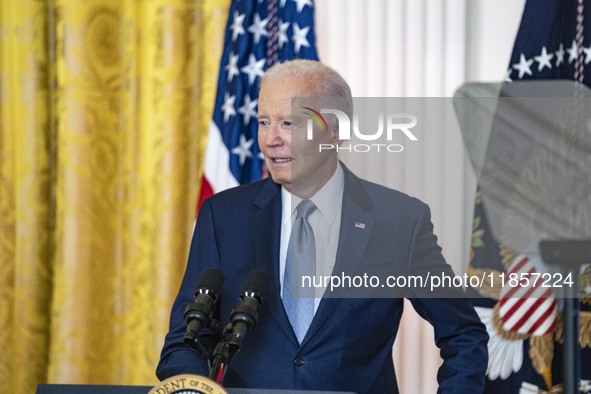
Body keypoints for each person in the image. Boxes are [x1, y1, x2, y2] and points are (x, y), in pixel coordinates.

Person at [157, 59, 488, 393]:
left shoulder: (398, 220)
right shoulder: (224, 216)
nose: (271, 139)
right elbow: (185, 342)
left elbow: (464, 334)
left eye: (288, 123)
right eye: (263, 121)